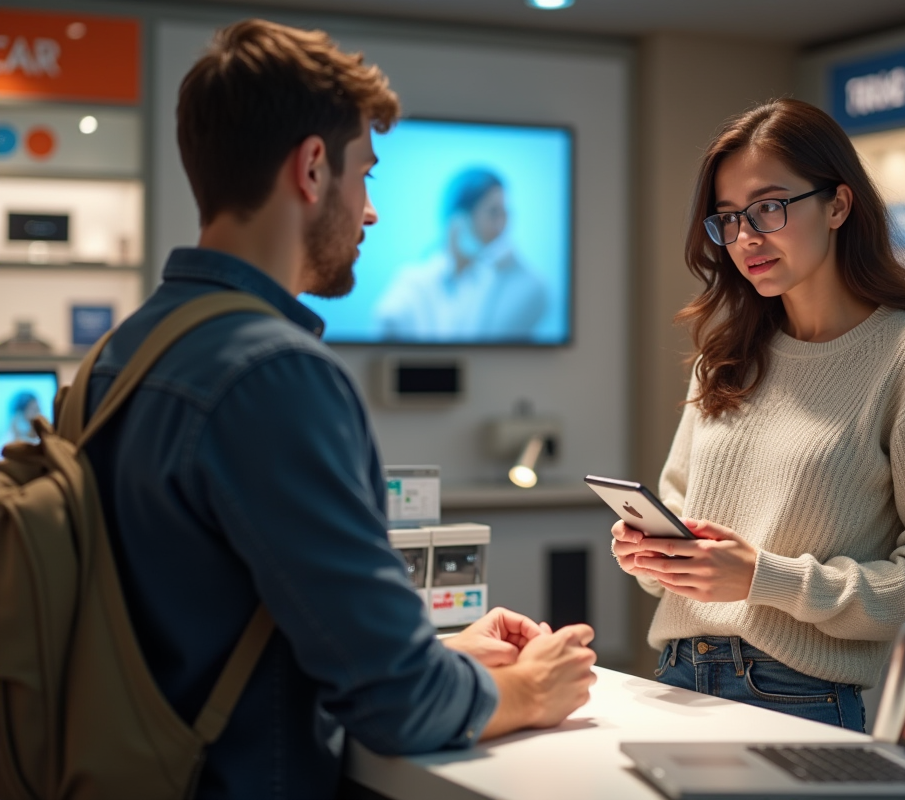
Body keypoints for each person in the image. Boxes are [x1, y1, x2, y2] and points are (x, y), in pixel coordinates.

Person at [81, 19, 595, 799]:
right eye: (369, 176)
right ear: (313, 167)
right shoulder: (275, 375)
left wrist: (437, 654)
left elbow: (218, 624)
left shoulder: (116, 357)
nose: (372, 212)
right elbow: (400, 703)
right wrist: (528, 691)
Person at [611, 98, 905, 732]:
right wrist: (654, 554)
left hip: (797, 697)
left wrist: (763, 577)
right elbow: (676, 545)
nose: (746, 237)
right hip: (675, 677)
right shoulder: (724, 359)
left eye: (769, 206)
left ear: (838, 205)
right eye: (727, 219)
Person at [374, 167, 547, 341]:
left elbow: (535, 300)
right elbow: (387, 324)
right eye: (494, 213)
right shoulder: (413, 283)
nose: (502, 225)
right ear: (460, 220)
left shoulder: (503, 279)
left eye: (505, 214)